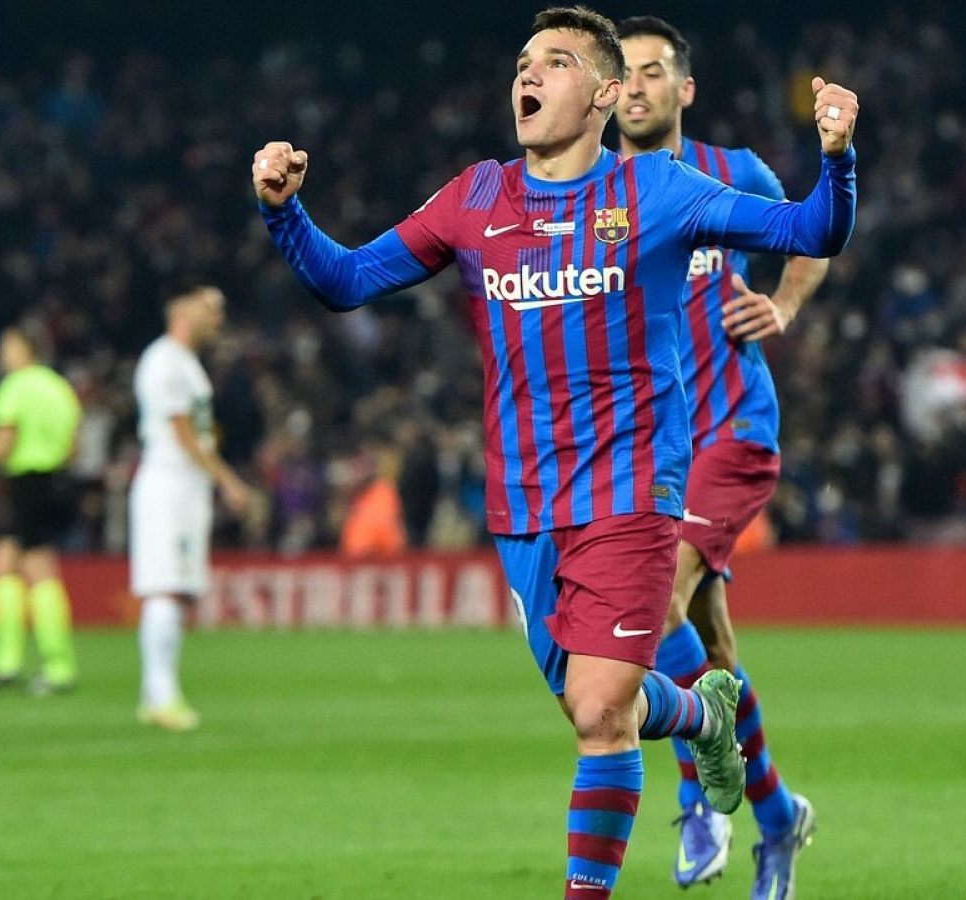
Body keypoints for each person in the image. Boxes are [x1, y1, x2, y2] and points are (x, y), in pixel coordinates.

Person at [253, 7, 858, 896]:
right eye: (525, 61)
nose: (528, 75)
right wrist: (284, 212)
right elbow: (346, 279)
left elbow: (814, 231)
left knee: (600, 715)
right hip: (525, 502)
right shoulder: (476, 198)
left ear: (605, 94)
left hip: (634, 485)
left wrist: (838, 157)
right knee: (594, 701)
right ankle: (702, 714)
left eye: (558, 62)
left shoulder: (660, 190)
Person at [612, 15, 824, 895]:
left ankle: (702, 797)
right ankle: (779, 818)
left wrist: (784, 304)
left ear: (683, 89)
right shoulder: (587, 195)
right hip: (650, 451)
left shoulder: (733, 175)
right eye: (621, 74)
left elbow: (813, 229)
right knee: (714, 648)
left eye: (653, 73)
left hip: (731, 432)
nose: (635, 88)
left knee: (654, 608)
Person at [129, 285, 253, 732]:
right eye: (209, 308)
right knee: (164, 587)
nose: (217, 317)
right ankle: (160, 695)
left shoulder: (185, 363)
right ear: (181, 309)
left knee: (177, 591)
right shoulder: (164, 361)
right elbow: (181, 433)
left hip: (186, 486)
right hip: (168, 483)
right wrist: (228, 481)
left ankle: (157, 693)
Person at [0, 326, 82, 696]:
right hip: (56, 480)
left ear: (27, 349)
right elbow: (75, 446)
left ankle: (56, 665)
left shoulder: (17, 386)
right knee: (5, 561)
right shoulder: (60, 388)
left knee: (36, 565)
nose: (3, 353)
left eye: (8, 346)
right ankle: (7, 662)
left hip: (24, 481)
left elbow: (3, 443)